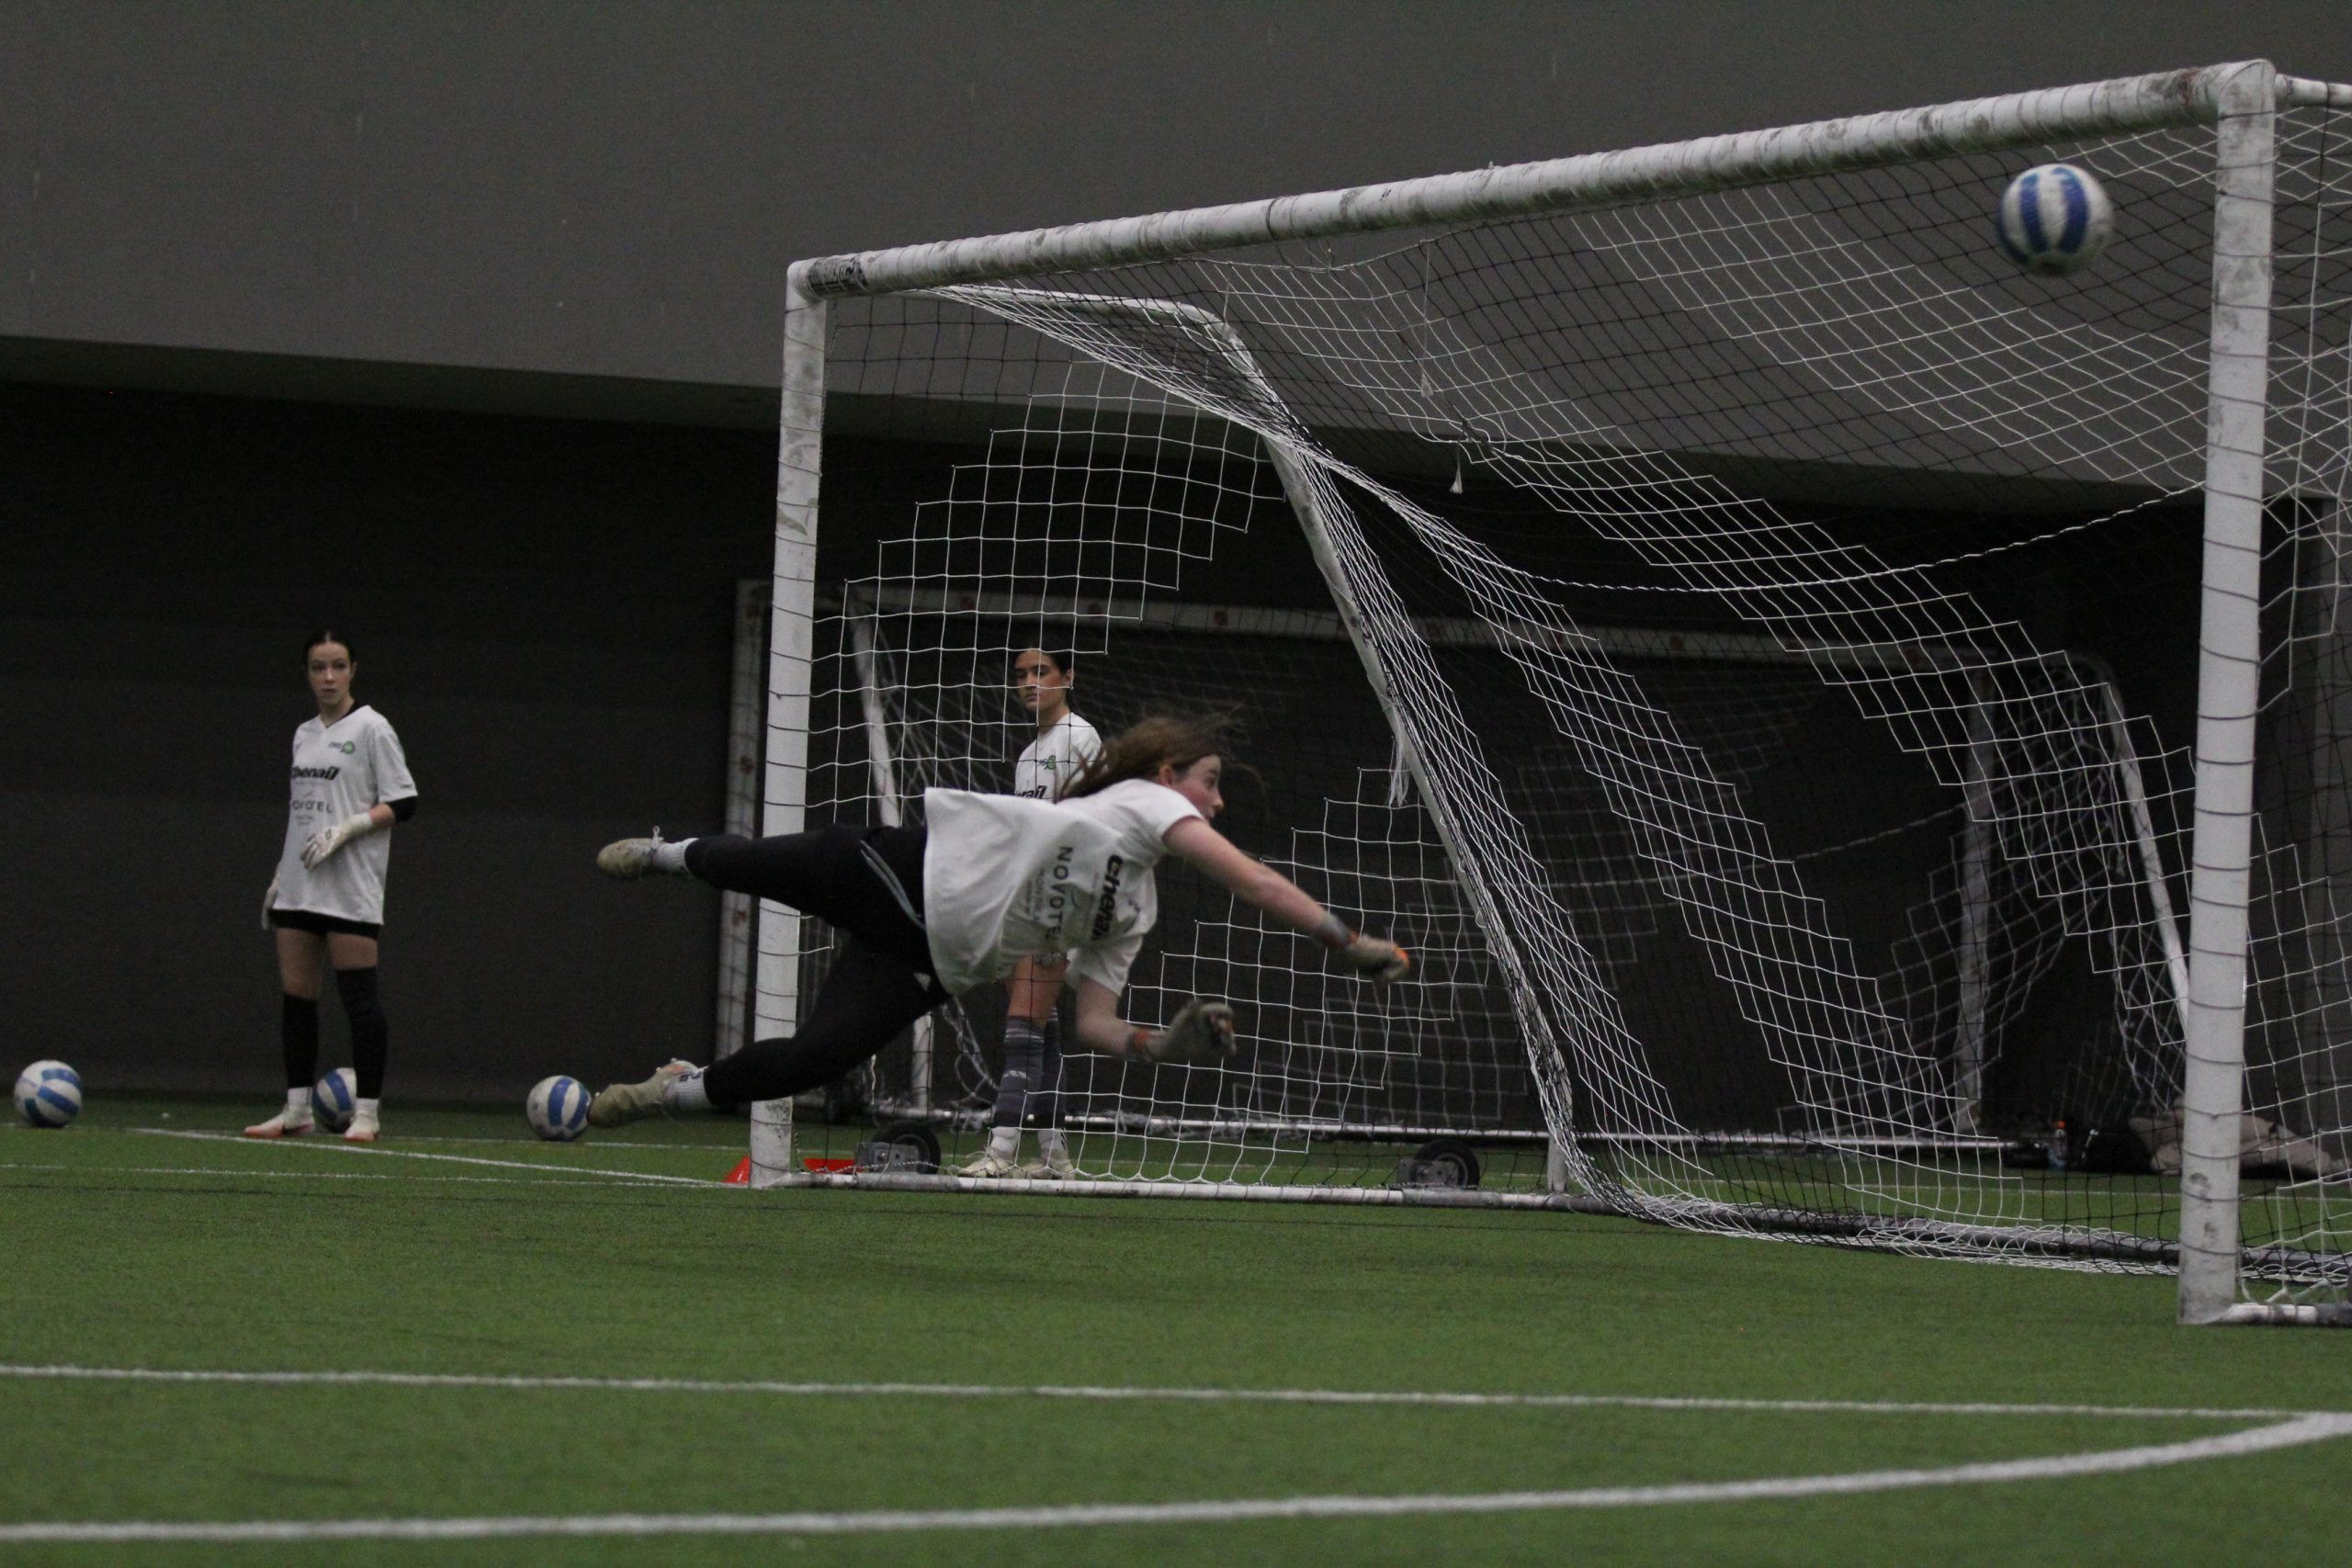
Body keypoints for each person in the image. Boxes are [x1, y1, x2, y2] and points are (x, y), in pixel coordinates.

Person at [583, 713, 1409, 1142]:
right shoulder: (1142, 803)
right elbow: (1255, 880)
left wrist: (1165, 1045)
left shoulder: (1136, 909)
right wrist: (1347, 942)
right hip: (902, 870)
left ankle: (672, 1089)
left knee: (814, 1060)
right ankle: (666, 854)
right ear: (1167, 777)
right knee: (753, 866)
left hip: (924, 961)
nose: (1217, 801)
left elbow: (1092, 1025)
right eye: (1211, 782)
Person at [243, 631, 419, 1144]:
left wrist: (349, 828)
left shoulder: (372, 727)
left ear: (352, 670)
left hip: (349, 884)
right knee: (297, 998)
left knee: (359, 1000)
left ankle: (367, 1114)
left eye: (338, 666)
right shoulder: (303, 734)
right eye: (318, 667)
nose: (328, 677)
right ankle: (296, 1108)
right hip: (301, 883)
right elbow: (301, 811)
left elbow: (404, 801)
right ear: (306, 673)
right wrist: (281, 874)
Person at [957, 646, 1102, 1179]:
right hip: (1029, 901)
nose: (1028, 682)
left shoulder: (1080, 738)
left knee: (1023, 1023)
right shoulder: (1027, 756)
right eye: (1021, 674)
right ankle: (1055, 1157)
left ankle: (1000, 1150)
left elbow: (1086, 825)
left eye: (1041, 671)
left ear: (1068, 676)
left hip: (1060, 903)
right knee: (1042, 1027)